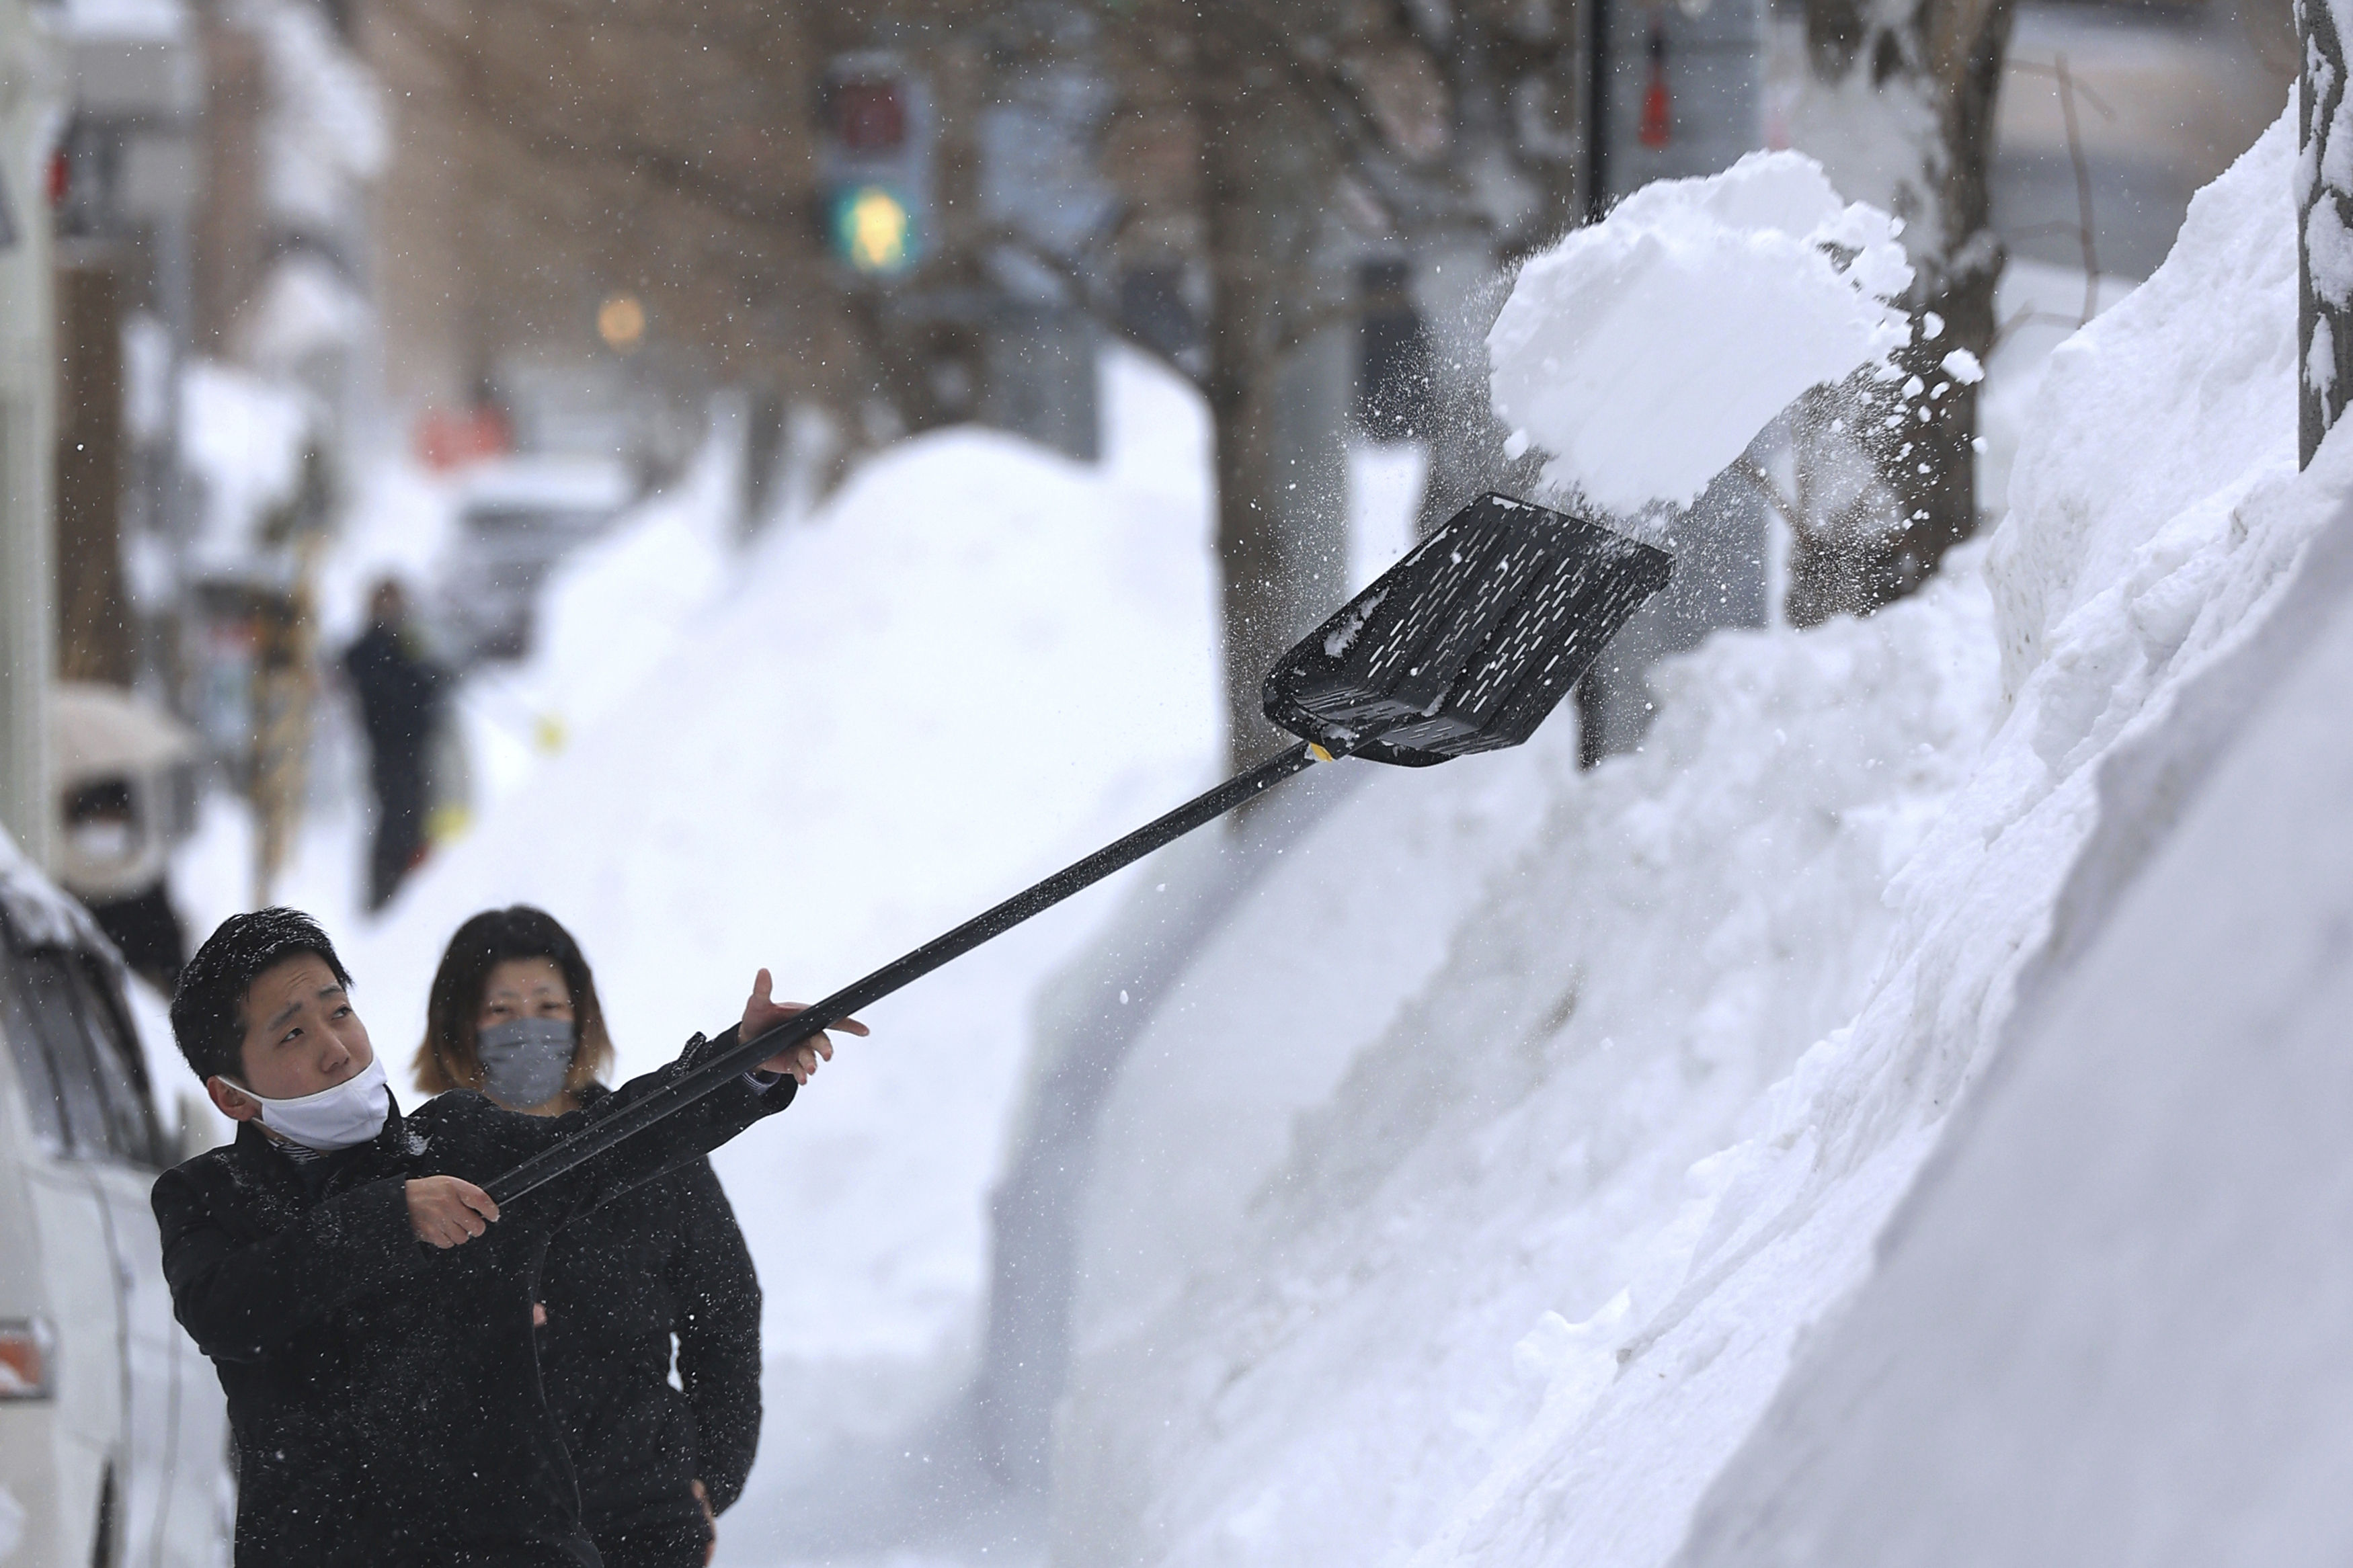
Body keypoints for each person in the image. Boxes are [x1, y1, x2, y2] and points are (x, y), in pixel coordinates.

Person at [151, 907, 867, 1567]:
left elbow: (612, 1141)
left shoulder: (461, 1139)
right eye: (294, 1032)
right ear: (231, 1093)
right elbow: (230, 1310)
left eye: (341, 1010)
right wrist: (388, 1217)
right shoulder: (206, 1198)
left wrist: (739, 1062)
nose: (338, 1048)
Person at [415, 907, 758, 1568]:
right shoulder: (422, 1167)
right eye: (501, 1009)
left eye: (548, 1004)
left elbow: (725, 1312)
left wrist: (710, 1477)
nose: (528, 1027)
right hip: (478, 1532)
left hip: (640, 1518)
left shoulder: (647, 1142)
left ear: (581, 1018)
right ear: (458, 1025)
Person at [342, 579, 446, 910]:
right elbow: (390, 692)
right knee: (395, 824)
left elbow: (423, 694)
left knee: (416, 821)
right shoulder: (371, 650)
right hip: (388, 753)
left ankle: (408, 895)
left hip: (414, 753)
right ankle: (386, 896)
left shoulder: (405, 644)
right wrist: (418, 675)